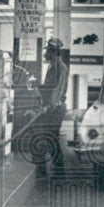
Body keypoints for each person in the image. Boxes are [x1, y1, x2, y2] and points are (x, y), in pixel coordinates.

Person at [30, 37, 68, 177]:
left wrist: (36, 86)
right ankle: (55, 171)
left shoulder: (57, 66)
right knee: (49, 139)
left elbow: (51, 86)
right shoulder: (59, 66)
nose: (46, 54)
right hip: (55, 108)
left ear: (54, 52)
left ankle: (54, 171)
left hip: (54, 109)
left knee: (46, 138)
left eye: (48, 51)